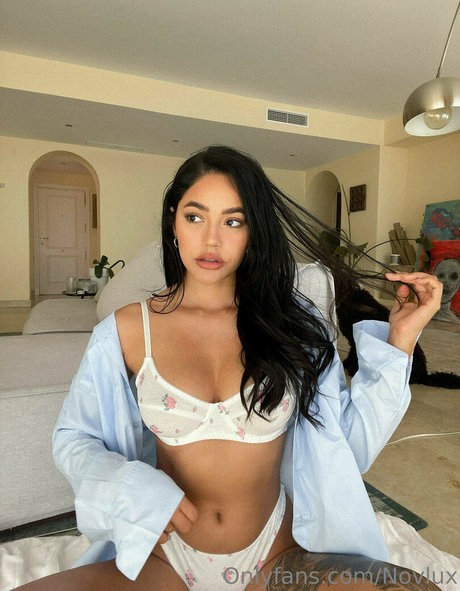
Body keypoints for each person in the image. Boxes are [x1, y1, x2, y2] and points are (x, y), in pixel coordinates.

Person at [16, 146, 442, 591]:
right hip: (165, 558)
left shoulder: (293, 326)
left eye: (233, 222)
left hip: (276, 555)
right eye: (195, 217)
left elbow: (348, 445)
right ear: (173, 221)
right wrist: (127, 487)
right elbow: (74, 437)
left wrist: (401, 339)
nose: (212, 240)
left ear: (253, 231)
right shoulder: (126, 330)